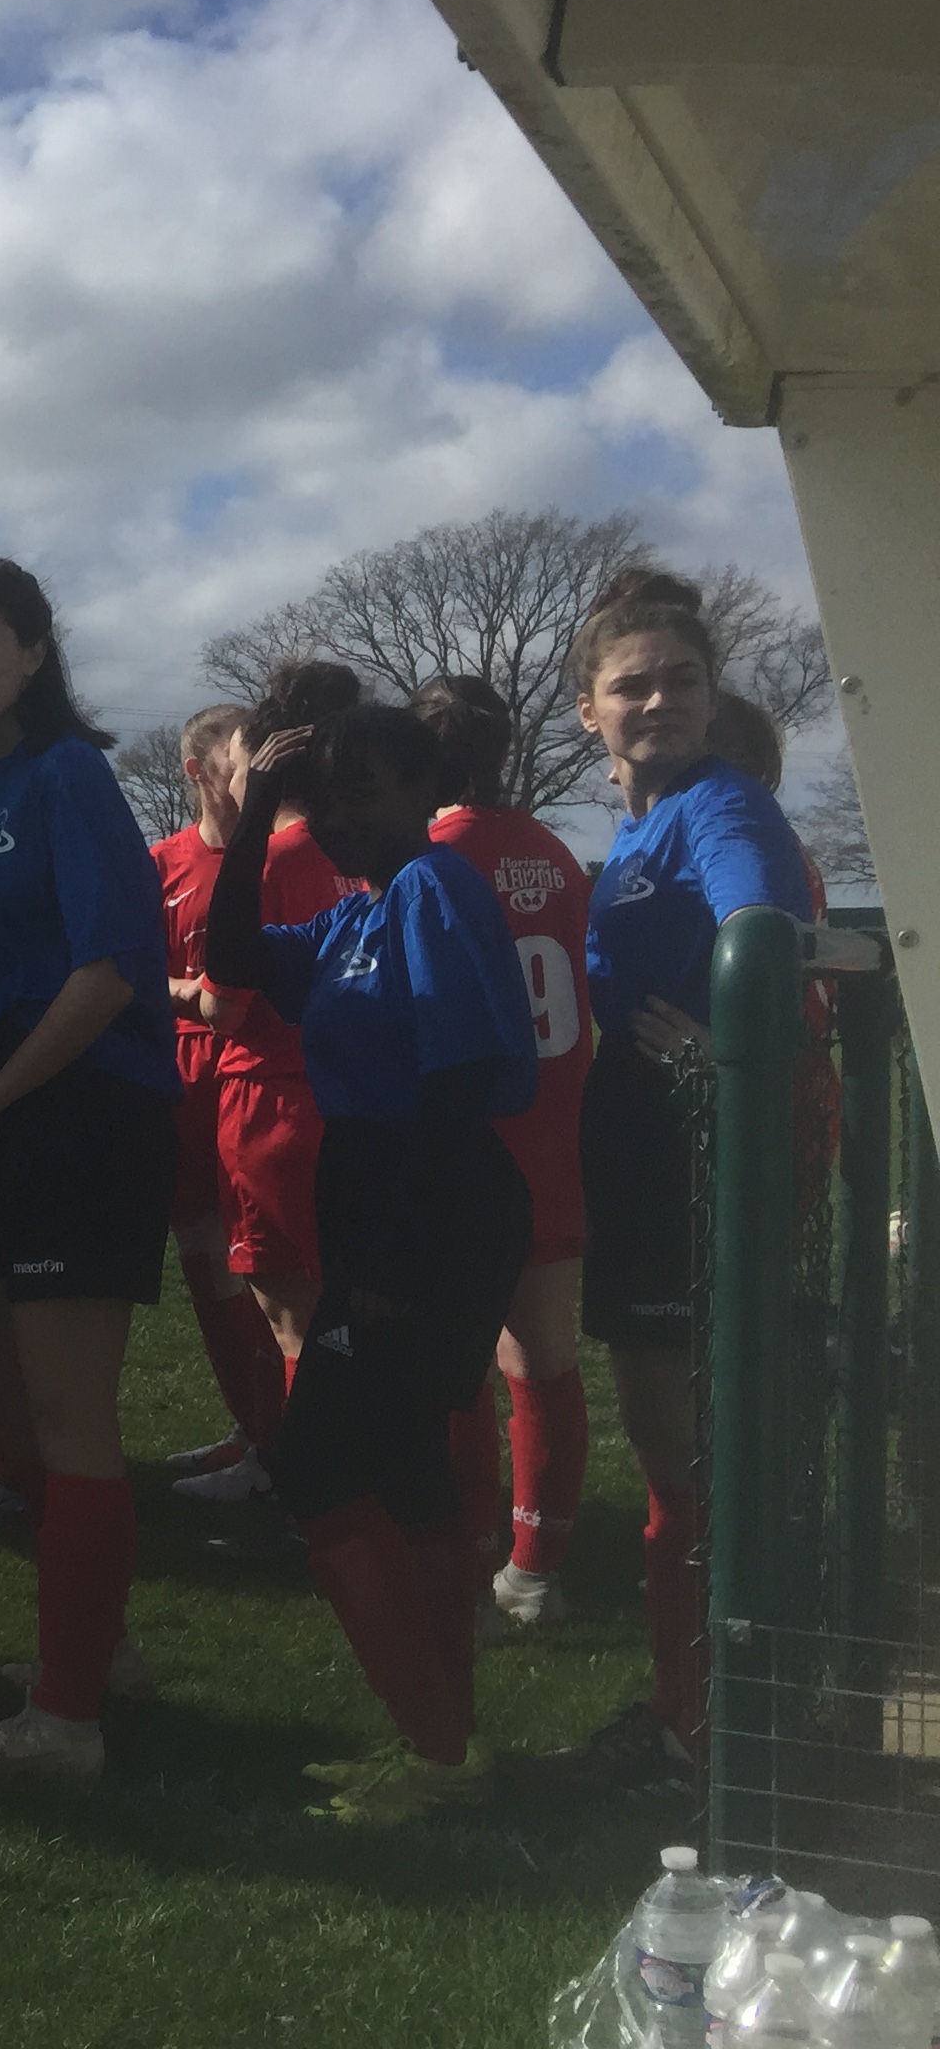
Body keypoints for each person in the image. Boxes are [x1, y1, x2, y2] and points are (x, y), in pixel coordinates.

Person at [205, 705, 537, 1823]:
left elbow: (456, 1077)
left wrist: (393, 1259)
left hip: (429, 1198)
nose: (341, 819)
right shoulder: (359, 912)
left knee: (317, 1464)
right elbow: (234, 958)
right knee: (405, 1472)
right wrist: (257, 809)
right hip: (382, 1194)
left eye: (366, 792)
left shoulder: (435, 887)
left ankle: (437, 1749)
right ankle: (446, 1747)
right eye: (324, 800)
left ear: (420, 790)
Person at [0, 550, 183, 1784]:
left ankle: (64, 1723)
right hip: (21, 1121)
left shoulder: (68, 774)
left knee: (69, 1418)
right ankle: (99, 1653)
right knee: (14, 1400)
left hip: (87, 1111)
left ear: (33, 652)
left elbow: (110, 969)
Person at [537, 573, 812, 1794]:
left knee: (688, 1452)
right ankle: (687, 1711)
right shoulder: (643, 823)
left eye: (681, 680)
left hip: (691, 1148)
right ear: (588, 709)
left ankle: (706, 1729)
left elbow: (766, 933)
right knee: (675, 1450)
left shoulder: (720, 804)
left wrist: (731, 1048)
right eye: (631, 684)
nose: (658, 700)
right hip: (642, 1145)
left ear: (712, 693)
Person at [411, 676, 594, 1631]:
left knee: (454, 1362)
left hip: (468, 1144)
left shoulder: (432, 859)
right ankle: (535, 1571)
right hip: (554, 1131)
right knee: (544, 1359)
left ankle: (469, 1560)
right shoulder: (553, 853)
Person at [176, 659, 366, 1508]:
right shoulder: (358, 851)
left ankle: (309, 1501)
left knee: (296, 1324)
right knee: (349, 1317)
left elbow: (226, 1003)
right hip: (349, 1098)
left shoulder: (274, 857)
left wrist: (169, 989)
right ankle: (357, 1493)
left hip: (273, 1100)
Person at [152, 703, 290, 1480]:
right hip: (187, 1081)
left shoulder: (282, 854)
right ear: (199, 772)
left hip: (261, 1077)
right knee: (209, 1265)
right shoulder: (162, 864)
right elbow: (128, 972)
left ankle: (281, 1441)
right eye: (243, 762)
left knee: (268, 1271)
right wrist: (186, 993)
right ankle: (253, 1428)